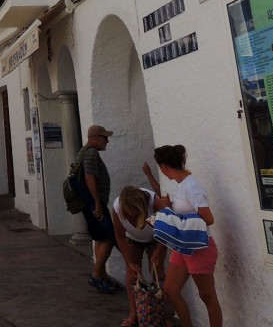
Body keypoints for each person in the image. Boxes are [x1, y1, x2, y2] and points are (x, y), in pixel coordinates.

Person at [153, 144, 223, 327]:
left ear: (163, 166)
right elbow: (184, 212)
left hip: (199, 247)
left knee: (207, 296)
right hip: (183, 246)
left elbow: (208, 218)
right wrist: (169, 206)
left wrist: (180, 218)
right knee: (170, 290)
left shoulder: (192, 186)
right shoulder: (179, 184)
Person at [112, 183, 168, 327]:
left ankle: (162, 314)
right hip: (133, 238)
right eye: (128, 212)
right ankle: (134, 314)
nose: (131, 215)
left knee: (157, 270)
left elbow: (166, 228)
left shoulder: (154, 203)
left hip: (156, 237)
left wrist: (158, 251)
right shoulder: (117, 208)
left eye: (135, 212)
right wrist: (129, 261)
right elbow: (119, 236)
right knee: (132, 272)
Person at [82, 124, 120, 293]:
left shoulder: (88, 152)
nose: (107, 141)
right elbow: (90, 177)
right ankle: (97, 275)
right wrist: (97, 203)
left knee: (100, 238)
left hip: (92, 203)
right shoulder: (90, 153)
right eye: (105, 137)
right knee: (108, 238)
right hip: (94, 204)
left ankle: (102, 276)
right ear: (96, 137)